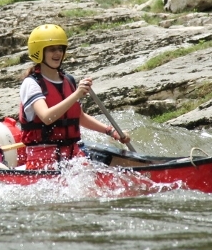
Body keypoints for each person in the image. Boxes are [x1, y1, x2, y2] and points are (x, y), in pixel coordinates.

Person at [18, 24, 130, 164]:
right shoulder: (31, 84)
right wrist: (76, 95)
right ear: (39, 52)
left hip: (73, 155)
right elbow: (46, 117)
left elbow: (79, 117)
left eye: (60, 49)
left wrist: (111, 131)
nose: (58, 53)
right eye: (52, 49)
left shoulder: (68, 80)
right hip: (43, 159)